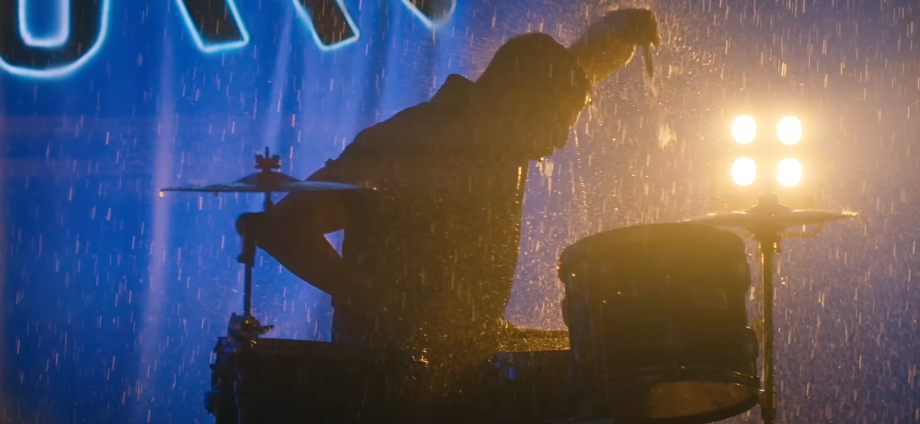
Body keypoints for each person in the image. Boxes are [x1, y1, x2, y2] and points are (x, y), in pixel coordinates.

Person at [238, 6, 660, 397]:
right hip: (387, 372)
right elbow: (283, 228)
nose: (559, 142)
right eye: (556, 125)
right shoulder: (413, 145)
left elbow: (571, 70)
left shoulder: (504, 121)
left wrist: (614, 33)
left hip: (457, 361)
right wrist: (385, 307)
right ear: (516, 104)